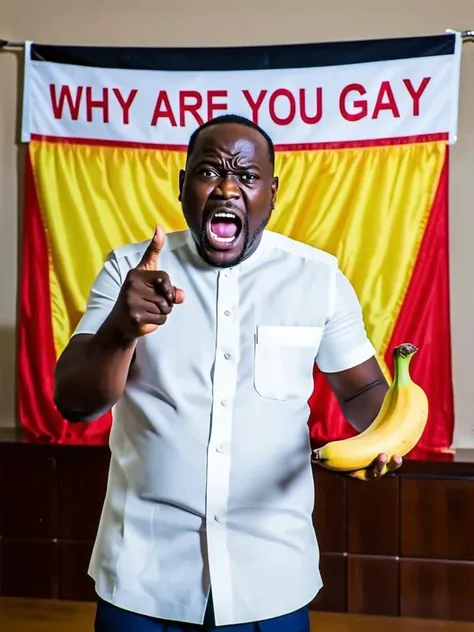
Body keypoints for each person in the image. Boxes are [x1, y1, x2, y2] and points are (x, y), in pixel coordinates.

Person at [54, 114, 402, 632]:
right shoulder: (128, 272)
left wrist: (384, 438)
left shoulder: (319, 279)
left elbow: (365, 388)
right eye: (210, 171)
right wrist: (120, 330)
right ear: (182, 186)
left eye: (247, 176)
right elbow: (75, 402)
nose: (228, 188)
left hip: (271, 576)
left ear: (273, 191)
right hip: (143, 577)